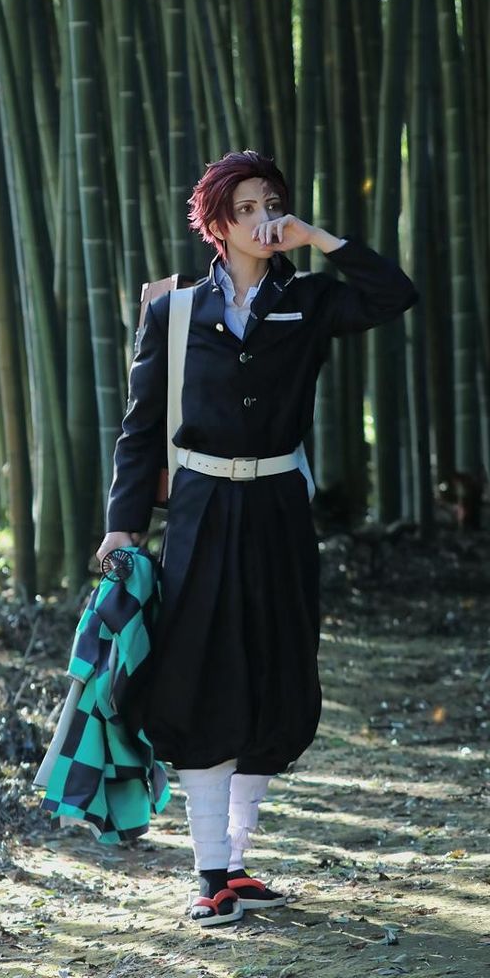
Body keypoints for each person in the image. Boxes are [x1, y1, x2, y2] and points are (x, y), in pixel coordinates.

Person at [95, 150, 418, 927]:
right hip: (202, 510)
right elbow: (141, 433)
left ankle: (237, 865)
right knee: (200, 676)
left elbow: (393, 294)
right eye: (246, 207)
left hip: (278, 508)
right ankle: (205, 873)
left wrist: (317, 238)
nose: (262, 216)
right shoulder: (172, 312)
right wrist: (121, 523)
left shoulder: (306, 302)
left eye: (271, 202)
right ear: (215, 224)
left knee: (274, 670)